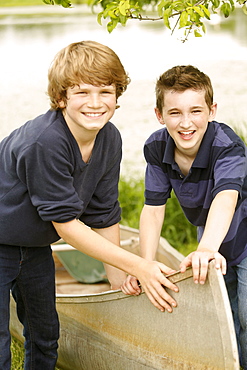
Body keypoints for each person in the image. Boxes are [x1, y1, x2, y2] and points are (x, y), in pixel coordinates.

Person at [0, 41, 180, 370]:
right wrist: (139, 265)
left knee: (45, 335)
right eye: (82, 92)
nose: (95, 103)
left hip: (35, 246)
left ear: (117, 95)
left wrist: (116, 278)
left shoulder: (109, 138)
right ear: (60, 98)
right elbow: (67, 225)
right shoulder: (46, 142)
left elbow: (104, 212)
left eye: (105, 91)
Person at [121, 65, 247, 368]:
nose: (186, 123)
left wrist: (206, 249)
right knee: (222, 321)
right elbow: (153, 209)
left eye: (196, 111)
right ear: (159, 115)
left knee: (246, 317)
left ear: (212, 110)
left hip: (238, 238)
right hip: (213, 237)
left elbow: (225, 198)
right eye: (175, 113)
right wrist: (144, 263)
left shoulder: (227, 145)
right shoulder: (156, 146)